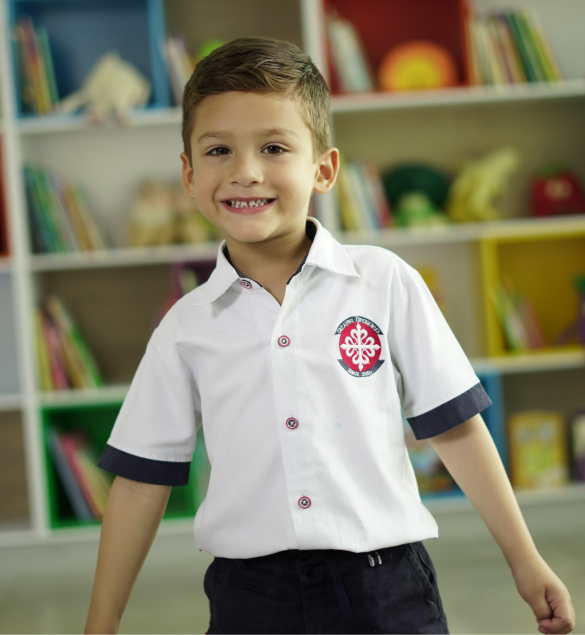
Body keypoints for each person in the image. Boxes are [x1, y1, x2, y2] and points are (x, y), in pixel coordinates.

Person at [85, 38, 575, 635]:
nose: (245, 171)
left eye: (274, 147)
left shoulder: (385, 281)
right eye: (218, 150)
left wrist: (525, 560)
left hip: (387, 589)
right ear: (189, 175)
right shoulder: (184, 328)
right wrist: (100, 622)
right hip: (250, 600)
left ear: (323, 168)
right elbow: (140, 483)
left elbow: (455, 427)